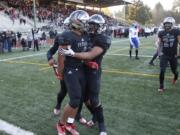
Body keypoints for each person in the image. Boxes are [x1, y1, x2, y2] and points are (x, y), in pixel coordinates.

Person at [59, 14, 111, 135]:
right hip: (81, 70)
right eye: (90, 25)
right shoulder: (85, 35)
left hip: (93, 71)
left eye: (94, 26)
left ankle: (102, 126)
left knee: (93, 99)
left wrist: (72, 54)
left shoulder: (102, 39)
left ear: (100, 27)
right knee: (79, 99)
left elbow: (90, 55)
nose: (91, 27)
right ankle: (72, 122)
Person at [48, 10, 90, 135]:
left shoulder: (84, 35)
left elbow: (84, 53)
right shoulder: (66, 35)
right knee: (74, 100)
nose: (86, 23)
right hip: (70, 70)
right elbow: (61, 57)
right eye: (84, 21)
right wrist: (60, 73)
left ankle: (69, 124)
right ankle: (60, 124)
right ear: (76, 22)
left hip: (81, 69)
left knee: (78, 100)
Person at [157, 17, 180, 92]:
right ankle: (161, 86)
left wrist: (178, 53)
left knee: (174, 71)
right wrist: (159, 53)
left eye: (168, 24)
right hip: (164, 54)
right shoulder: (161, 32)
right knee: (162, 70)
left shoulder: (176, 31)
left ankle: (175, 77)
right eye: (165, 24)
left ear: (172, 24)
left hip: (174, 55)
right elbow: (160, 44)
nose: (167, 25)